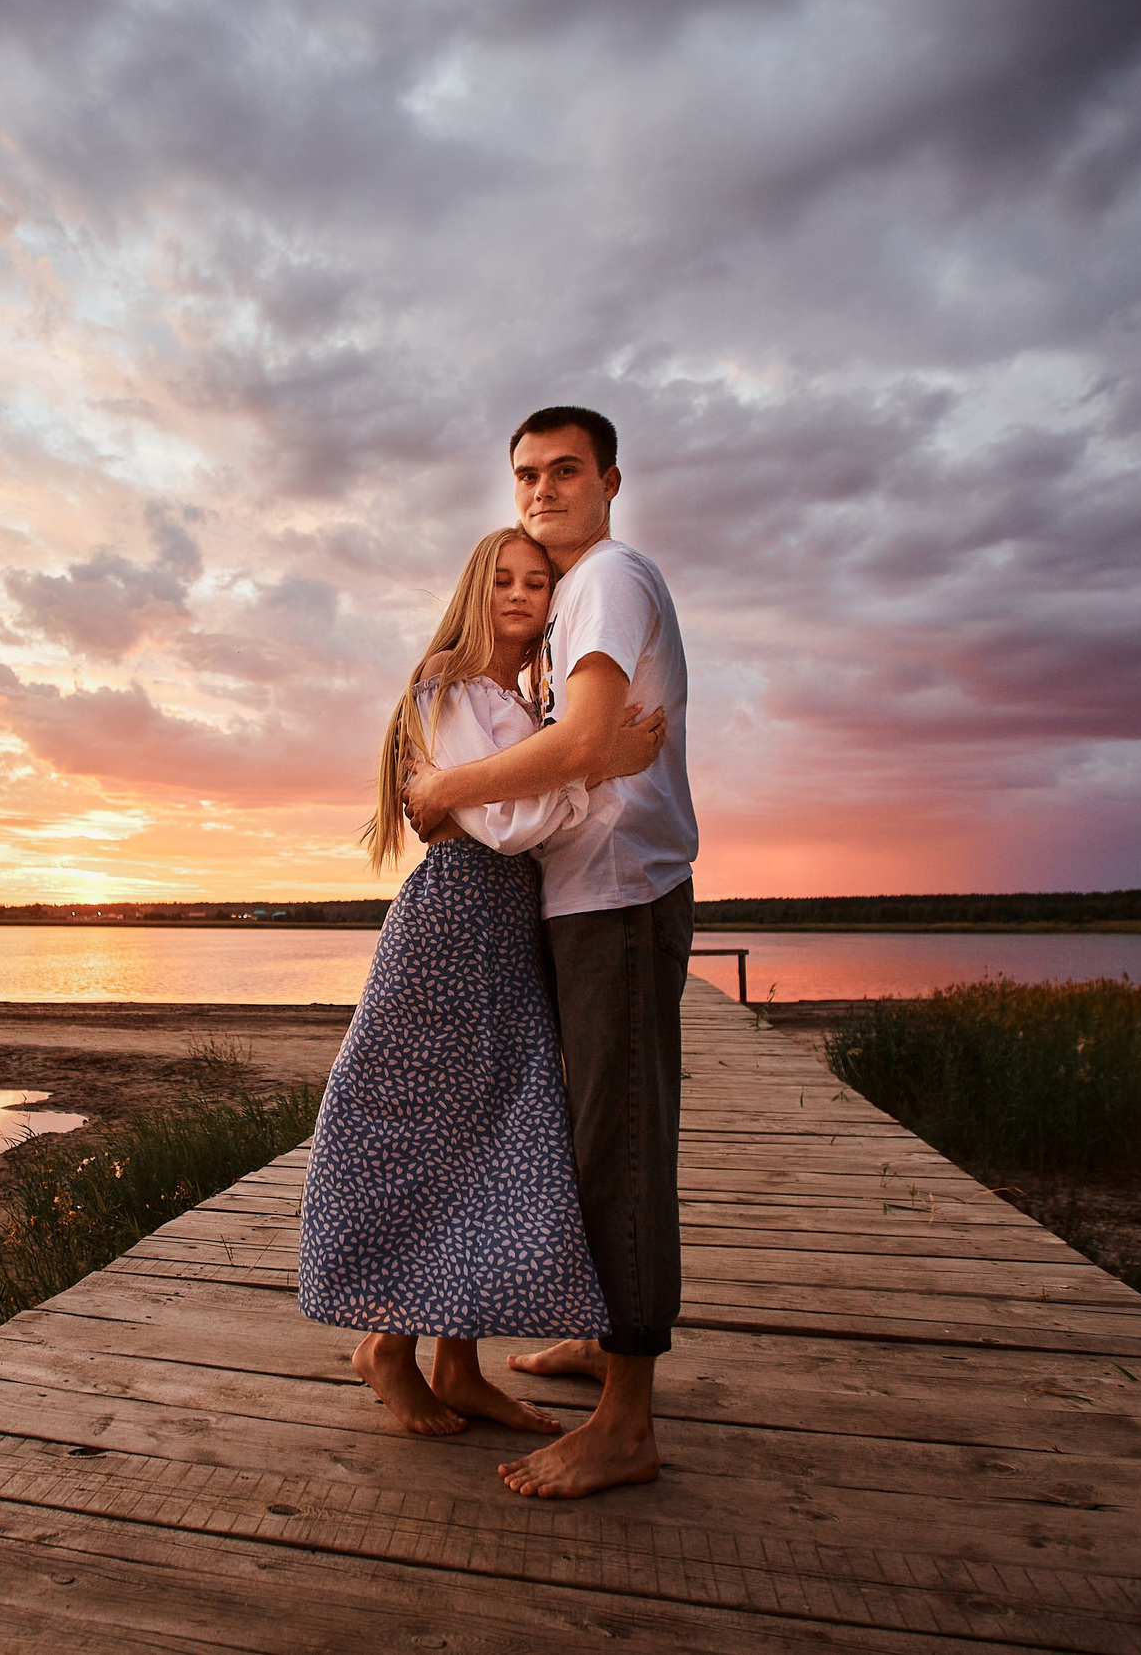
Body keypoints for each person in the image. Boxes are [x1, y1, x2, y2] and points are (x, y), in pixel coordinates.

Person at [298, 525, 665, 1439]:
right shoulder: (449, 688)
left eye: (536, 582)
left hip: (509, 931)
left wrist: (553, 761)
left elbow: (499, 803)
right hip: (457, 925)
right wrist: (593, 760)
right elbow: (503, 823)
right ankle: (387, 1345)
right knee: (432, 1130)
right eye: (501, 578)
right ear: (474, 588)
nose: (519, 594)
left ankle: (456, 1365)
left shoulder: (521, 699)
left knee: (493, 1135)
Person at [405, 406, 696, 1499]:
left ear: (611, 479)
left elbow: (579, 747)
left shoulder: (610, 576)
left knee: (617, 1143)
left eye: (564, 470)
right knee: (577, 1128)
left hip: (618, 896)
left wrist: (436, 790)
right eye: (525, 473)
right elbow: (559, 750)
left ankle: (626, 1419)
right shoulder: (568, 596)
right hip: (579, 899)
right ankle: (591, 1328)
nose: (541, 488)